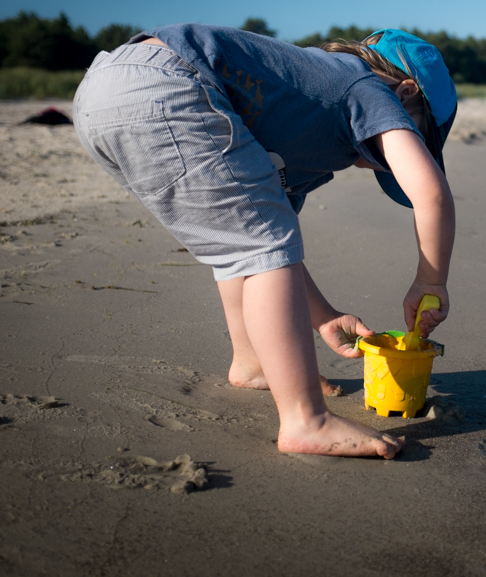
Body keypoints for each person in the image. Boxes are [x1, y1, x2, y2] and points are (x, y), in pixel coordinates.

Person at [72, 25, 458, 459]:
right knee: (257, 244)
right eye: (415, 134)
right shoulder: (368, 88)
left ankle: (253, 362)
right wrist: (430, 281)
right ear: (405, 94)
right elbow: (431, 192)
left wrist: (325, 316)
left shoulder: (300, 122)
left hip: (99, 92)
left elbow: (271, 253)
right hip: (168, 81)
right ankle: (305, 421)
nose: (395, 156)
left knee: (240, 240)